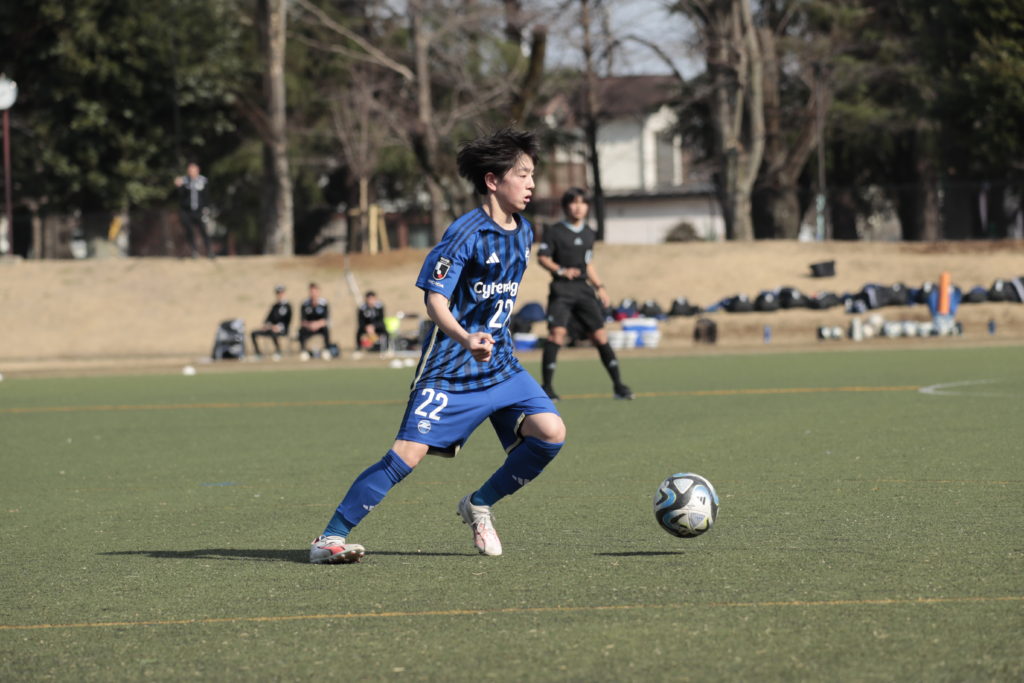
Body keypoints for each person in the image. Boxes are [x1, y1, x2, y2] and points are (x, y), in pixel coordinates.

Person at [309, 127, 565, 564]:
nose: (531, 184)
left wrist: (489, 339)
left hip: (500, 364)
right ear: (492, 180)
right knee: (407, 456)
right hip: (451, 366)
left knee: (551, 433)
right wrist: (466, 337)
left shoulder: (524, 232)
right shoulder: (464, 233)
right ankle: (329, 538)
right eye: (522, 175)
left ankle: (479, 505)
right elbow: (434, 301)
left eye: (532, 175)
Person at [537, 187, 634, 401]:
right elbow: (542, 257)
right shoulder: (554, 231)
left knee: (600, 336)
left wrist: (600, 287)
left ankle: (619, 386)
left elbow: (588, 263)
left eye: (582, 202)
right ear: (565, 207)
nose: (578, 207)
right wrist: (561, 270)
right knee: (557, 334)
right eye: (573, 202)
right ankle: (547, 388)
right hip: (562, 289)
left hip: (583, 290)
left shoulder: (589, 233)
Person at [174, 162, 213, 258]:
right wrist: (179, 186)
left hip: (199, 210)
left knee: (204, 231)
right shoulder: (184, 181)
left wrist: (206, 208)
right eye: (190, 171)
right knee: (189, 231)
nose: (192, 173)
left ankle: (209, 251)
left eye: (194, 171)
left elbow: (206, 196)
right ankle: (193, 251)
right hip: (186, 211)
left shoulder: (203, 181)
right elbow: (180, 196)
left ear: (198, 171)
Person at [250, 285, 292, 360]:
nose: (279, 295)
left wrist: (277, 327)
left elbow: (287, 321)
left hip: (282, 329)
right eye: (278, 293)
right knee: (253, 333)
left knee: (273, 332)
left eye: (281, 293)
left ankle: (278, 351)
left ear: (284, 293)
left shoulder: (287, 306)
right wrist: (267, 325)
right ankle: (258, 353)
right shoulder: (274, 306)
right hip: (271, 328)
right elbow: (268, 319)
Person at [298, 282, 333, 359]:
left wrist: (317, 324)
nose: (313, 294)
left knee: (326, 329)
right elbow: (302, 321)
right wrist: (310, 325)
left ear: (318, 292)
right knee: (301, 330)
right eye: (311, 292)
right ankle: (303, 351)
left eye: (315, 292)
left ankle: (326, 350)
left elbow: (326, 320)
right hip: (308, 327)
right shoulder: (305, 304)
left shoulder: (324, 303)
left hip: (320, 327)